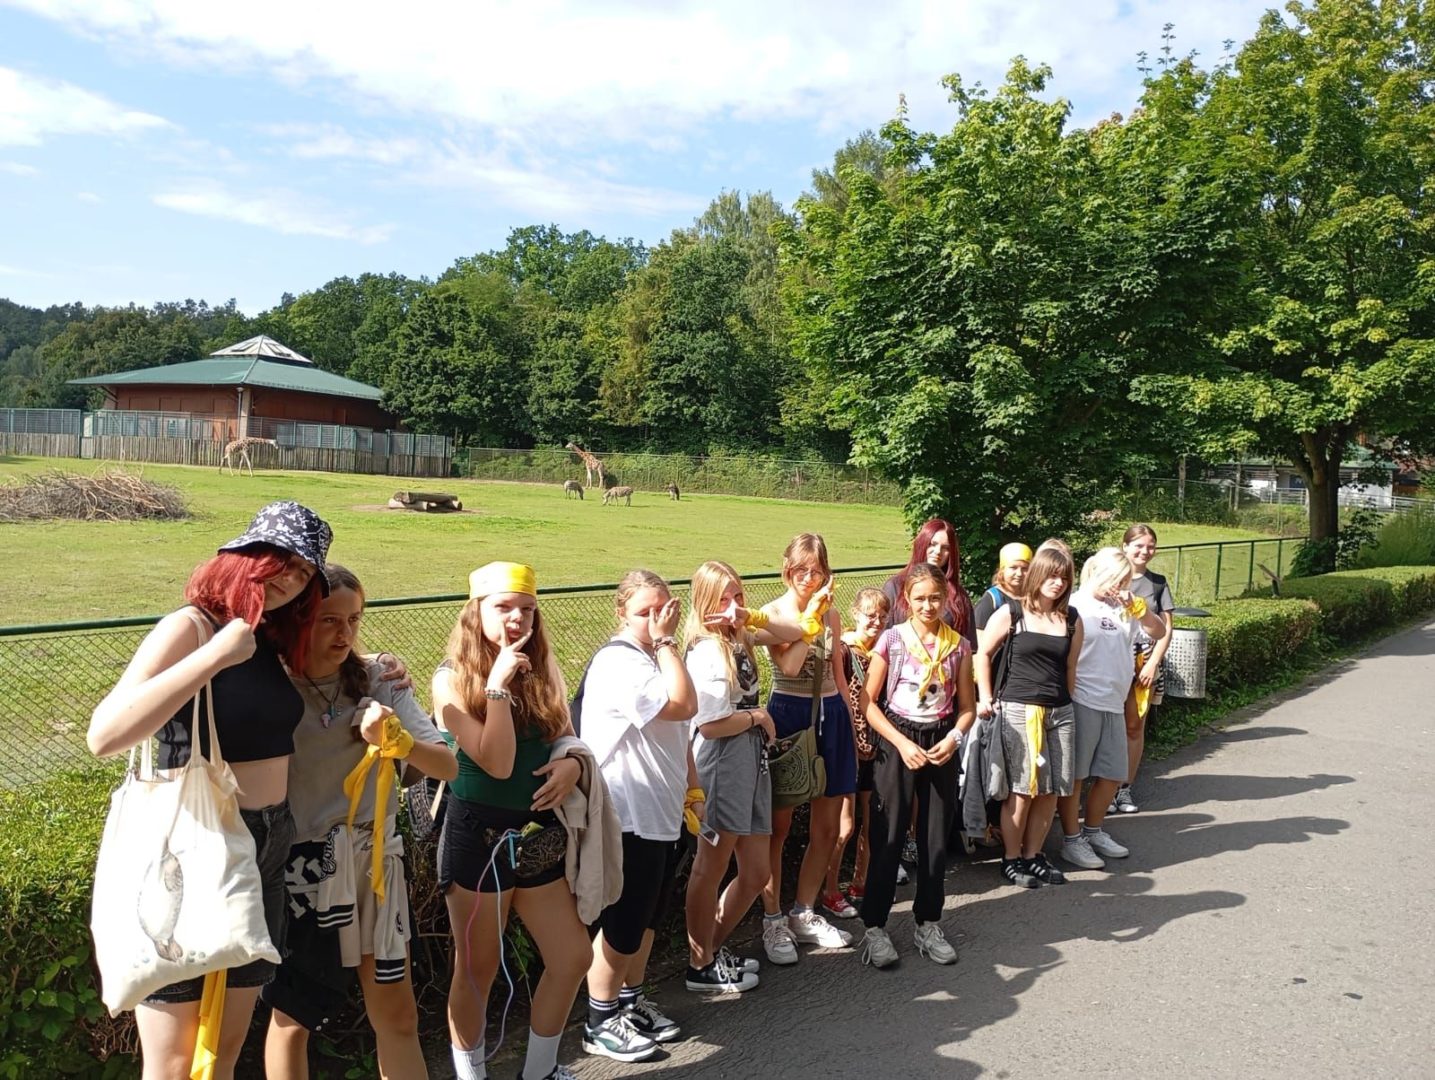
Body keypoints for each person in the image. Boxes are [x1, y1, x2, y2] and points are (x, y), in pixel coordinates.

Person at [87, 500, 331, 1080]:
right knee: (174, 1062)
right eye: (281, 560)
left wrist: (382, 666)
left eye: (304, 572)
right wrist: (213, 657)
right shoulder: (193, 627)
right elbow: (105, 734)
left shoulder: (267, 636)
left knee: (223, 1048)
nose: (291, 579)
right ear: (243, 556)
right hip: (194, 850)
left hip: (266, 847)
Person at [263, 565, 457, 1079]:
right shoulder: (269, 687)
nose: (344, 633)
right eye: (329, 620)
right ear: (297, 619)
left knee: (398, 1016)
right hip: (303, 873)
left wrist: (397, 741)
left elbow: (446, 766)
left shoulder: (377, 679)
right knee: (293, 1019)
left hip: (376, 868)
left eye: (353, 619)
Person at [435, 562, 590, 1080]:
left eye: (527, 609)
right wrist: (498, 687)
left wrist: (573, 764)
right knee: (476, 969)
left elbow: (566, 735)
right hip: (477, 837)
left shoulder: (542, 669)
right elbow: (497, 763)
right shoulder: (449, 680)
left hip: (535, 836)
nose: (517, 619)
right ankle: (471, 1074)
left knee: (572, 957)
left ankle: (539, 1071)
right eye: (503, 607)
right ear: (475, 611)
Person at [581, 570, 699, 1062]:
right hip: (628, 811)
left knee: (649, 917)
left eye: (661, 609)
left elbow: (682, 731)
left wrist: (693, 790)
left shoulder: (657, 659)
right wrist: (667, 641)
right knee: (624, 920)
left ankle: (629, 1002)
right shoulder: (620, 661)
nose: (653, 620)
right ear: (621, 614)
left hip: (662, 810)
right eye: (642, 612)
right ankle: (599, 1019)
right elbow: (684, 705)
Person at [682, 561, 802, 992]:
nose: (732, 604)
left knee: (755, 871)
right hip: (723, 759)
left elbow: (796, 631)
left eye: (738, 595)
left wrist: (748, 617)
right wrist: (758, 716)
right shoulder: (707, 650)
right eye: (723, 598)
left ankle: (710, 950)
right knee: (710, 866)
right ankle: (700, 963)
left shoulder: (738, 635)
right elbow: (710, 724)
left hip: (750, 756)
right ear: (704, 602)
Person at [857, 562, 976, 968]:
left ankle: (928, 922)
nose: (928, 606)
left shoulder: (958, 646)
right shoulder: (892, 639)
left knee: (935, 837)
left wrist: (954, 738)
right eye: (920, 598)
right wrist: (900, 742)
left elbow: (967, 707)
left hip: (940, 739)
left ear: (946, 599)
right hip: (898, 738)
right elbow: (868, 702)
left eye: (935, 598)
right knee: (888, 835)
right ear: (906, 600)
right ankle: (875, 927)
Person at [757, 534, 860, 965]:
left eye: (816, 570)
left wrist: (852, 725)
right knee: (777, 828)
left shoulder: (832, 613)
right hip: (788, 713)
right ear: (786, 568)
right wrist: (810, 618)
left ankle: (803, 911)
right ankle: (773, 919)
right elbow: (790, 664)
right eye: (801, 569)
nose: (808, 577)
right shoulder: (772, 613)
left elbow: (839, 674)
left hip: (830, 712)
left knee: (828, 827)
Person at [974, 545, 1080, 890]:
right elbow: (982, 654)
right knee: (1023, 789)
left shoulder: (1072, 619)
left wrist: (1067, 701)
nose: (1058, 583)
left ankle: (1034, 855)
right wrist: (985, 697)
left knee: (1053, 789)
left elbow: (1070, 667)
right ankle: (1011, 858)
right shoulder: (1012, 612)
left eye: (1064, 578)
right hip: (1020, 710)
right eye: (1052, 575)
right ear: (1038, 575)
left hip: (1060, 711)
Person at [1057, 548, 1167, 870]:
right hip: (1083, 699)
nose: (1118, 587)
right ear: (1097, 573)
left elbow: (1158, 631)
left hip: (1114, 702)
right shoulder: (1076, 604)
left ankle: (1094, 831)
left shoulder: (1125, 608)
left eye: (1123, 581)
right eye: (1114, 580)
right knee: (1076, 776)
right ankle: (1072, 839)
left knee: (1112, 774)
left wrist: (1141, 610)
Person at [824, 587, 890, 913]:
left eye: (882, 616)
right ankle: (829, 889)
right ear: (855, 614)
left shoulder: (883, 651)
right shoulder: (845, 650)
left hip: (876, 746)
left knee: (873, 820)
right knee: (845, 825)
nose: (875, 622)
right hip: (849, 744)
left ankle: (860, 881)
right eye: (870, 615)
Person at [1114, 524, 1174, 814]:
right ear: (1125, 546)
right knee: (1107, 726)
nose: (1144, 551)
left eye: (1150, 546)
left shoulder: (1158, 583)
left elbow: (1167, 629)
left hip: (1144, 661)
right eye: (1138, 545)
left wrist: (1153, 663)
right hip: (1112, 659)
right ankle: (1103, 788)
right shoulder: (1111, 578)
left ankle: (1124, 788)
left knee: (1134, 726)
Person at [881, 517, 977, 650]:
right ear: (922, 544)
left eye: (945, 548)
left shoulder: (959, 597)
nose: (938, 551)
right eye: (932, 544)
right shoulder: (894, 587)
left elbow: (969, 649)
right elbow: (879, 638)